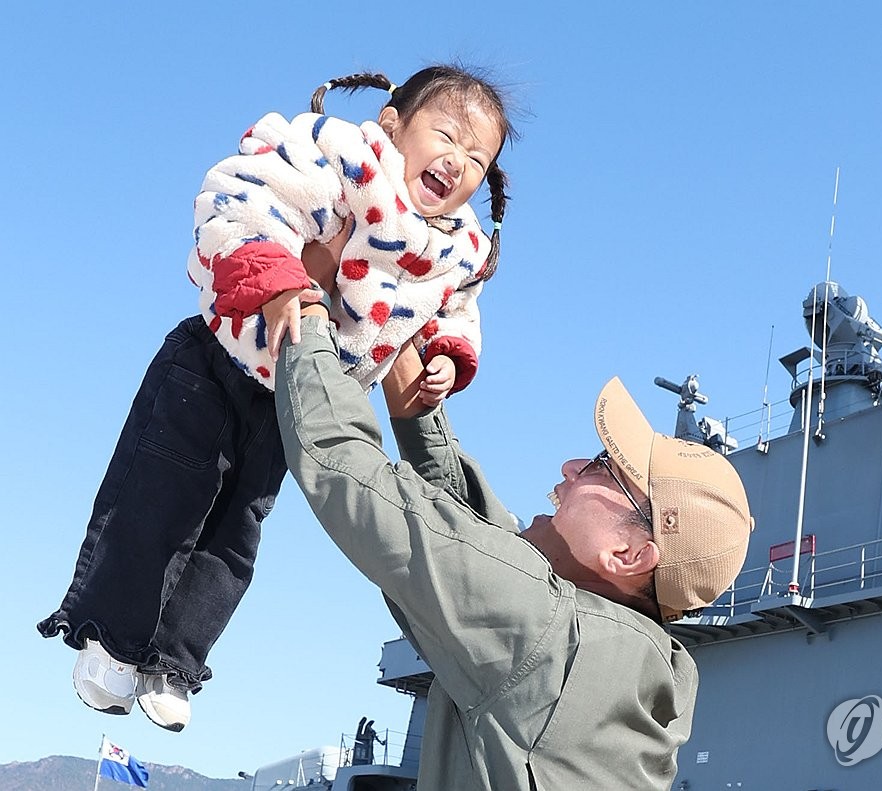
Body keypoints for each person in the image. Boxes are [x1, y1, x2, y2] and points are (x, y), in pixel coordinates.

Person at [37, 65, 514, 732]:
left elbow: (455, 313)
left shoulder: (454, 249)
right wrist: (281, 279)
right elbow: (249, 196)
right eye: (447, 136)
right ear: (391, 123)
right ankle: (111, 643)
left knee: (235, 537)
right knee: (159, 502)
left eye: (477, 158)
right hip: (219, 356)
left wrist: (445, 356)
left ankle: (175, 663)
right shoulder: (348, 161)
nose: (458, 162)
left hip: (291, 401)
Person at [273, 305, 755, 790]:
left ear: (629, 555)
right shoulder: (638, 660)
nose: (571, 466)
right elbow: (482, 533)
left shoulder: (552, 640)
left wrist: (305, 309)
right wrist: (404, 367)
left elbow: (341, 465)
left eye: (603, 467)